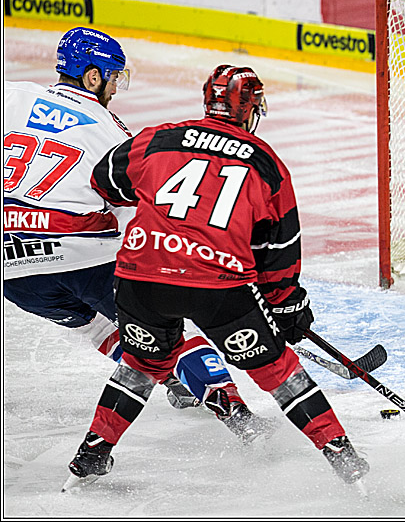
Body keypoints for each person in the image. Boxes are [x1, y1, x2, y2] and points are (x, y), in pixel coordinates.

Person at [63, 64, 368, 488]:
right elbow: (277, 252)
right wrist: (288, 307)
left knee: (142, 364)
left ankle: (93, 451)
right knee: (277, 369)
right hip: (218, 288)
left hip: (142, 279)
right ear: (251, 107)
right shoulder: (265, 163)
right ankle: (342, 456)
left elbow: (105, 179)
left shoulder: (158, 138)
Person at [3, 27, 265, 437]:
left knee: (95, 326)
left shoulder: (11, 95)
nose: (114, 88)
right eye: (112, 78)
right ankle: (233, 410)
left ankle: (173, 380)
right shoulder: (110, 132)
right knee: (165, 321)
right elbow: (143, 210)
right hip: (79, 254)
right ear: (93, 77)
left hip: (12, 272)